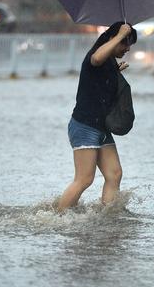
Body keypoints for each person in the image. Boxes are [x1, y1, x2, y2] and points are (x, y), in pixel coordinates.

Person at [56, 22, 137, 212]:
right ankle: (58, 219)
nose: (127, 49)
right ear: (111, 39)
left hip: (101, 127)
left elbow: (98, 83)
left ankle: (107, 218)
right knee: (84, 179)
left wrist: (115, 71)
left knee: (114, 173)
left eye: (129, 45)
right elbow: (96, 58)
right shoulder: (97, 56)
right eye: (125, 44)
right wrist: (119, 35)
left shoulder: (109, 63)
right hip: (84, 126)